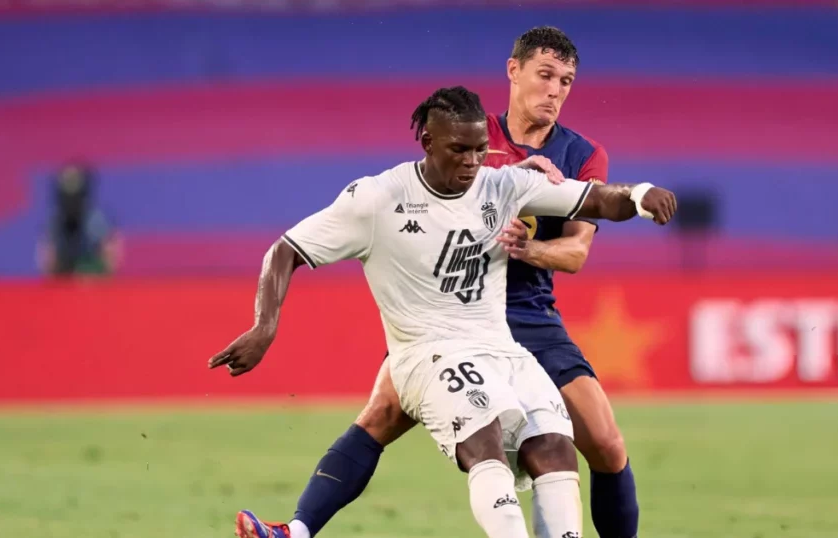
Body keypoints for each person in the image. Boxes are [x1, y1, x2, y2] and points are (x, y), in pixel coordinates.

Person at [232, 27, 647, 538]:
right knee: (380, 414)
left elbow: (578, 251)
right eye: (545, 75)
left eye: (566, 80)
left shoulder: (580, 154)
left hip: (528, 313)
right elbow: (433, 187)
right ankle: (296, 528)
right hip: (443, 313)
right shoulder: (473, 131)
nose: (556, 90)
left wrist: (529, 247)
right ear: (513, 72)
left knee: (603, 442)